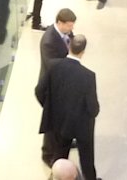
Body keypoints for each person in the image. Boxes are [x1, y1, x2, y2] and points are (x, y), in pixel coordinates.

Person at [35, 34, 99, 180]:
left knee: (60, 152)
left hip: (61, 121)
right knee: (87, 158)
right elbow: (93, 107)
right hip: (82, 125)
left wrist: (50, 107)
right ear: (83, 52)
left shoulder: (53, 66)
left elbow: (39, 90)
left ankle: (56, 176)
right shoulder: (88, 76)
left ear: (69, 47)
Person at [39, 8, 77, 83]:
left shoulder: (65, 30)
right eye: (69, 26)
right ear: (60, 23)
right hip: (53, 81)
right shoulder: (48, 42)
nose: (72, 28)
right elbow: (51, 65)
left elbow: (71, 39)